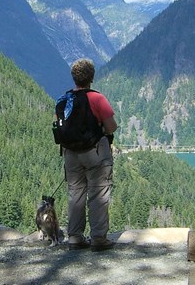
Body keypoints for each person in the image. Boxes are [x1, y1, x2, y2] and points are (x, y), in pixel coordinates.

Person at [61, 58, 117, 252]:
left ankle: (75, 237)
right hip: (95, 153)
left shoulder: (64, 99)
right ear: (91, 77)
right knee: (98, 194)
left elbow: (59, 128)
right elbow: (111, 127)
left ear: (74, 78)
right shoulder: (97, 99)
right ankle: (98, 238)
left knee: (75, 194)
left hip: (71, 155)